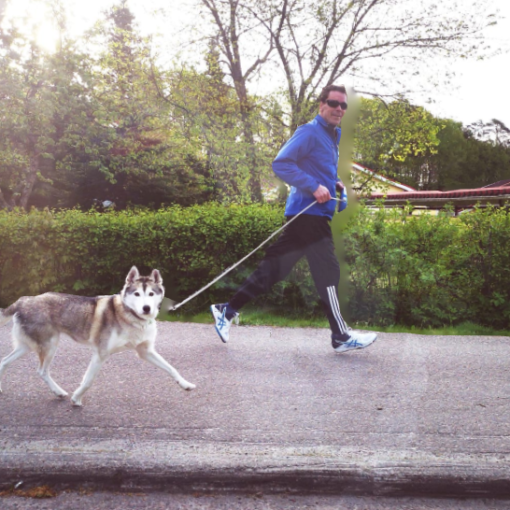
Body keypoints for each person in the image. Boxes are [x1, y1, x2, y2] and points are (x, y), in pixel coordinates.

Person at [211, 85, 377, 353]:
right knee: (328, 270)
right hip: (307, 214)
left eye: (344, 105)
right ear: (321, 105)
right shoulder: (309, 131)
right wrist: (313, 186)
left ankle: (226, 311)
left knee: (273, 269)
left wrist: (333, 184)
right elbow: (281, 163)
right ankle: (341, 336)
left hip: (309, 214)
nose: (339, 109)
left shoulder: (330, 136)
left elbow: (315, 168)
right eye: (334, 103)